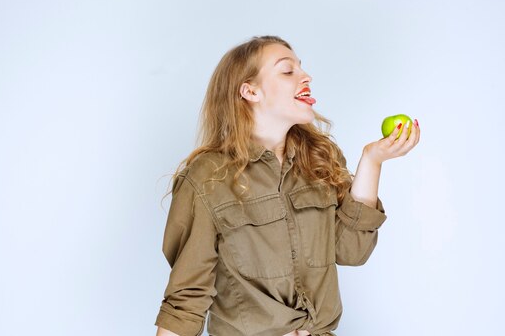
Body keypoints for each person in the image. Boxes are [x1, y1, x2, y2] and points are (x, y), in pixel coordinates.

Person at [155, 35, 420, 336]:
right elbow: (185, 302)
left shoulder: (319, 160)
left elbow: (351, 251)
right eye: (287, 70)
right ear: (250, 90)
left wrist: (372, 161)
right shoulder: (206, 178)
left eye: (301, 68)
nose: (306, 77)